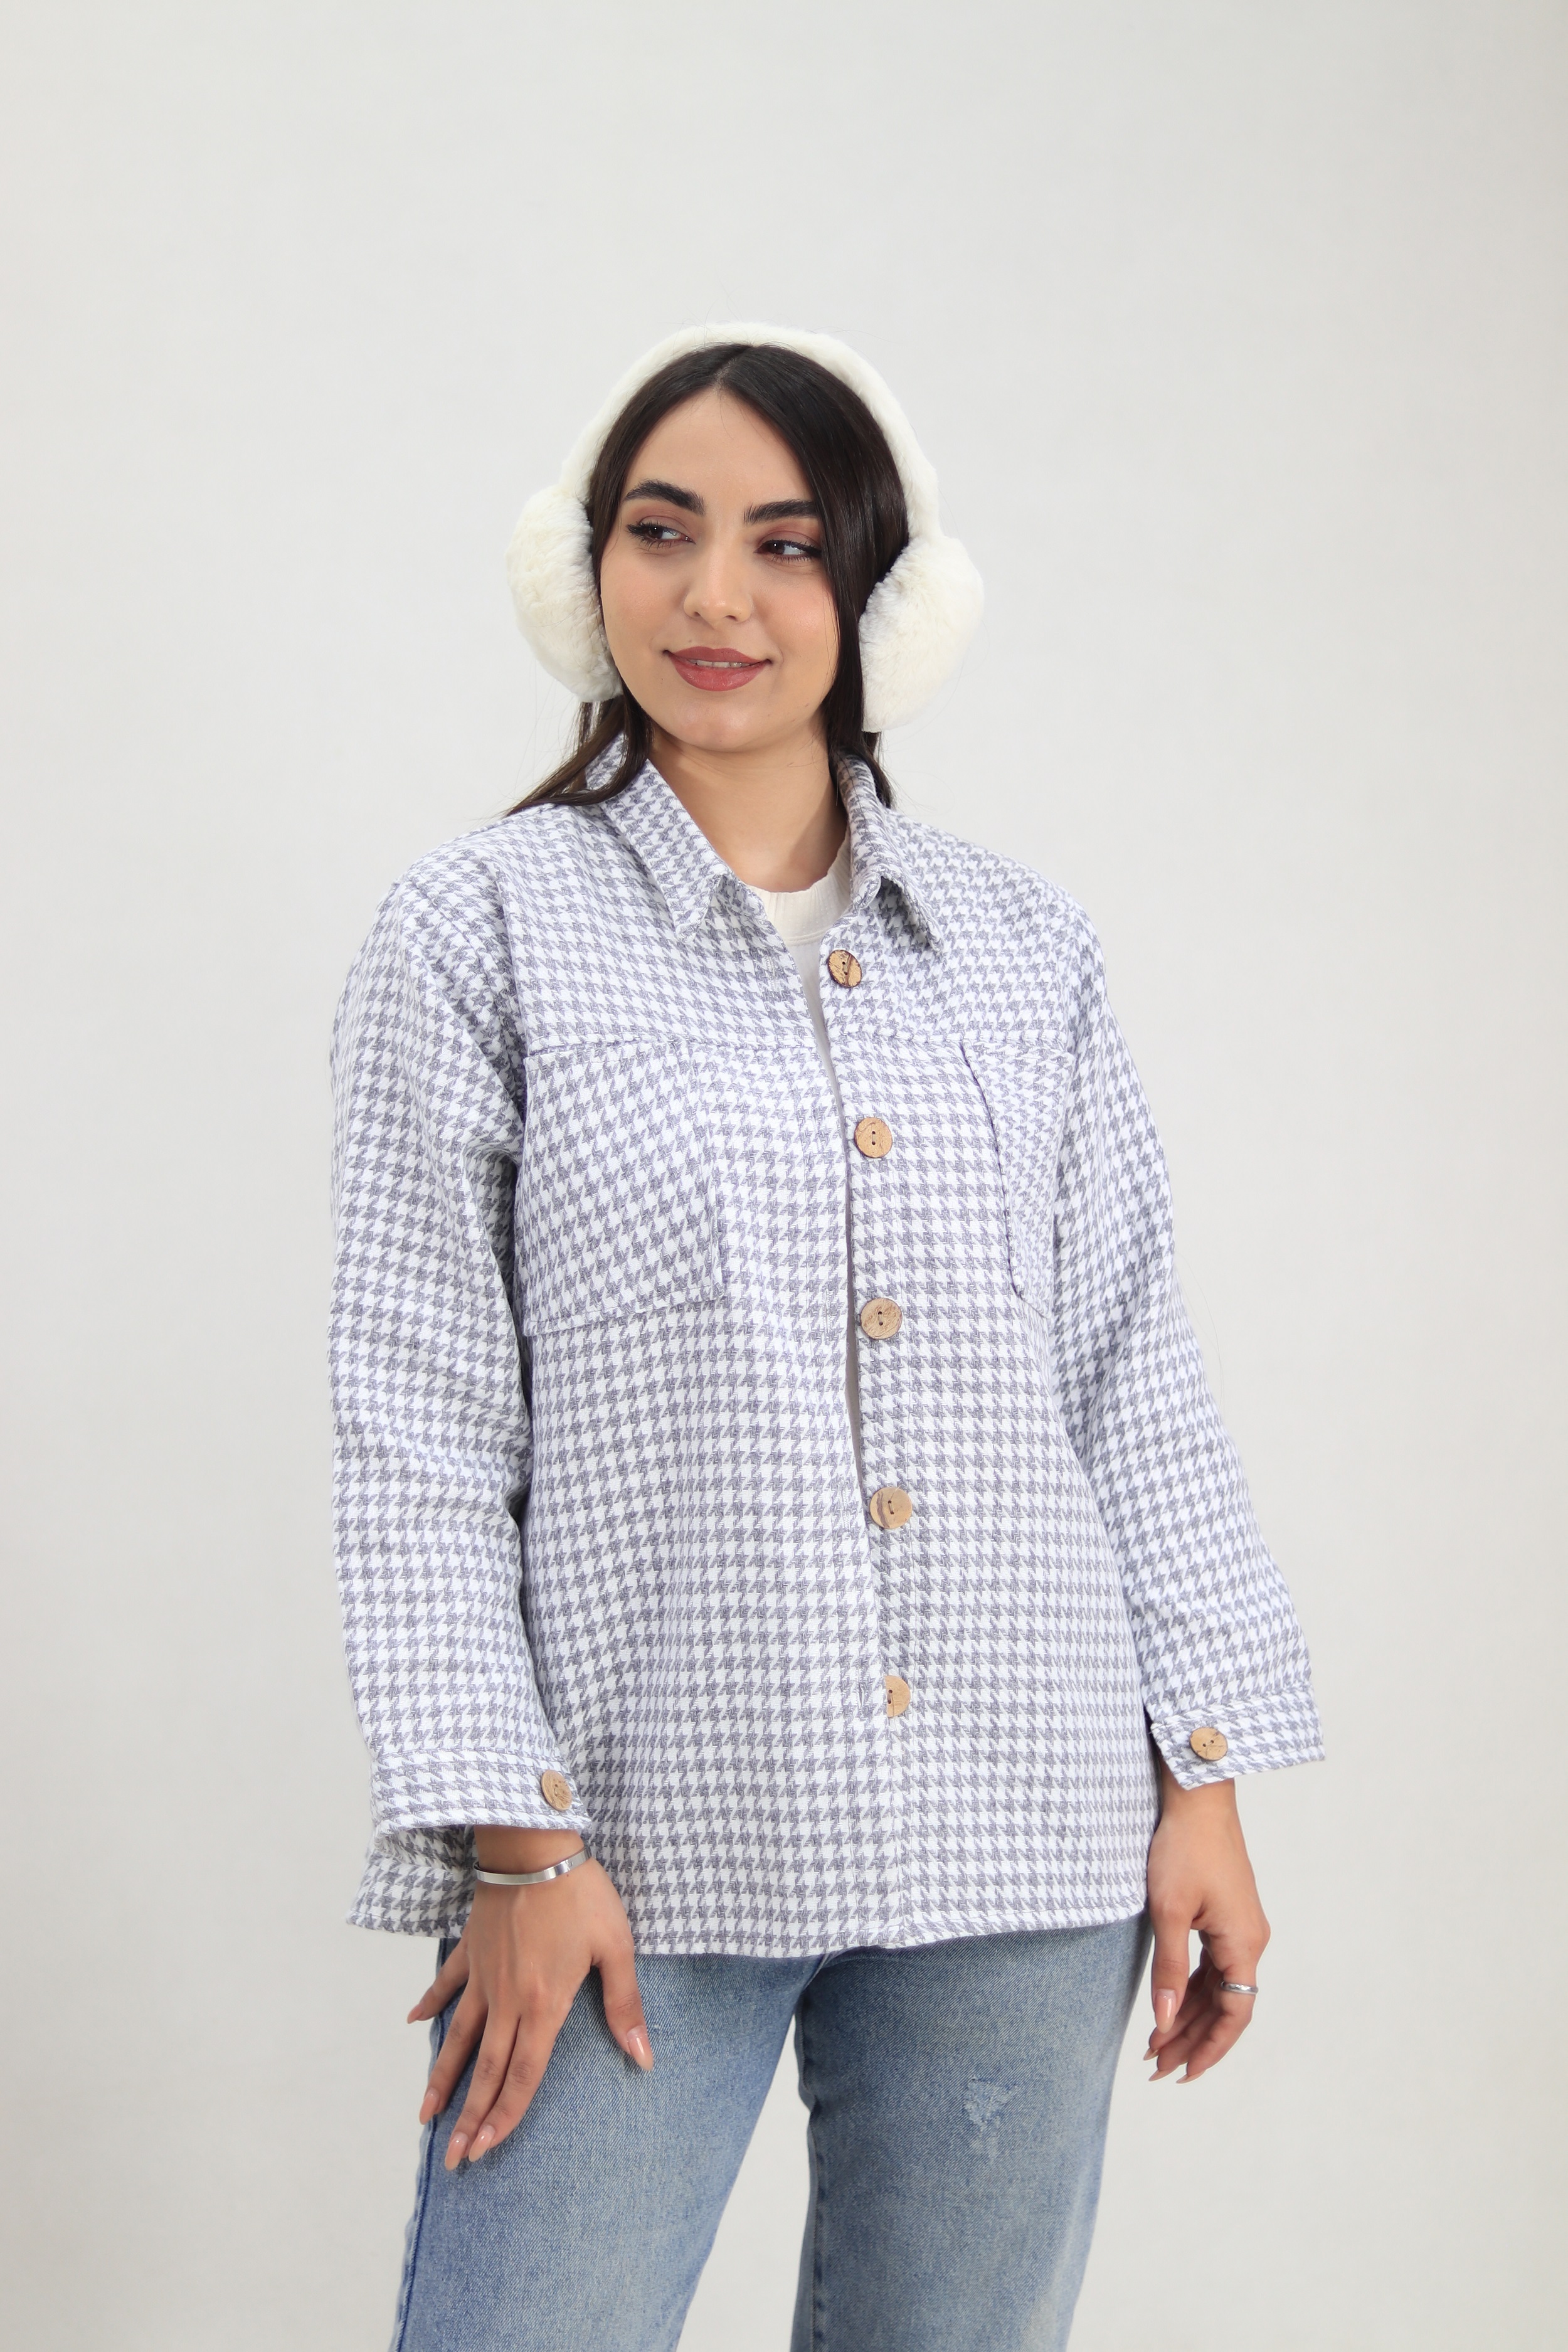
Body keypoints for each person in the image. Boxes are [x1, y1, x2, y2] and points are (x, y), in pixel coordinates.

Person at [329, 325, 1323, 2352]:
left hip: (1023, 1830)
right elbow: (418, 1429)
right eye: (660, 532)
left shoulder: (1024, 947)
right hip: (629, 1848)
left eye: (786, 546)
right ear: (581, 571)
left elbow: (1127, 1374)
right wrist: (514, 1846)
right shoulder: (472, 934)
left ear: (879, 596)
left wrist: (1201, 1778)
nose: (715, 597)